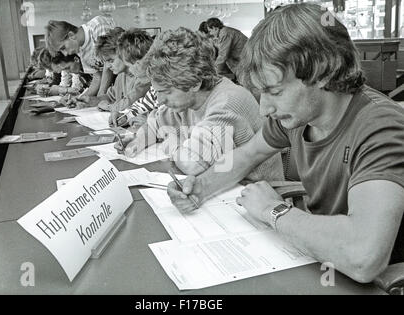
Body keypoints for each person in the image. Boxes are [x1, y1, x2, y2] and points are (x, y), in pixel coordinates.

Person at [168, 3, 404, 284]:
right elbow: (246, 155)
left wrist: (274, 210)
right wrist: (200, 187)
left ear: (323, 73)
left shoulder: (380, 126)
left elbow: (363, 255)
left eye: (274, 92)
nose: (264, 108)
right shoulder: (296, 115)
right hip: (324, 263)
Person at [116, 27, 283, 178]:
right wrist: (137, 141)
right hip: (224, 189)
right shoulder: (184, 100)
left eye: (166, 92)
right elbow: (155, 124)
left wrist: (171, 142)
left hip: (257, 194)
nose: (160, 100)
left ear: (195, 83)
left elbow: (193, 163)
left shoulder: (227, 102)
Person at [45, 17, 116, 99]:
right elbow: (97, 77)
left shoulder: (98, 26)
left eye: (63, 48)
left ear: (71, 35)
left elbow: (109, 64)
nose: (65, 53)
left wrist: (99, 97)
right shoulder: (79, 49)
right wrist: (79, 99)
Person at [98, 29, 154, 125]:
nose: (129, 70)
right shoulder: (121, 76)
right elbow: (142, 105)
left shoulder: (148, 79)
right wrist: (126, 116)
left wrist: (151, 121)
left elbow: (129, 103)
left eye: (111, 60)